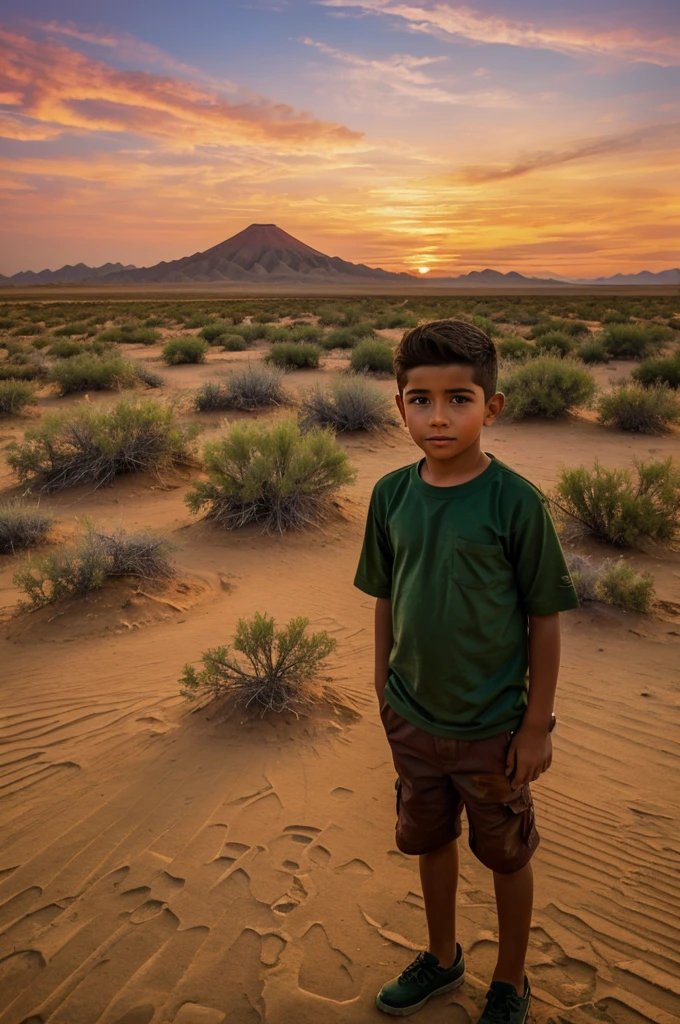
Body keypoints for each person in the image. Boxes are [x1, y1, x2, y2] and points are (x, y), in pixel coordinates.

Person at [354, 319, 579, 1023]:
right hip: (412, 718)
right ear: (400, 407)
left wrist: (536, 725)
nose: (439, 416)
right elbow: (387, 594)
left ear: (493, 406)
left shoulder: (514, 502)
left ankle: (510, 981)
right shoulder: (390, 494)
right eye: (420, 400)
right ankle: (443, 957)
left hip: (493, 728)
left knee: (506, 854)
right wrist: (381, 685)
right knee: (429, 840)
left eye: (459, 398)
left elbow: (545, 617)